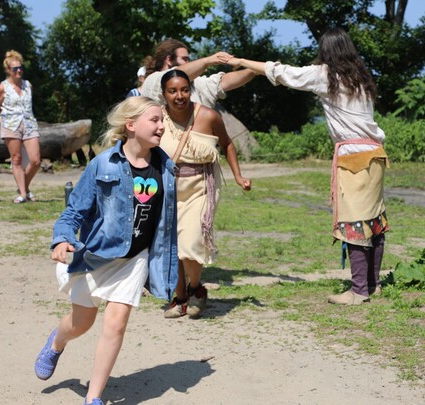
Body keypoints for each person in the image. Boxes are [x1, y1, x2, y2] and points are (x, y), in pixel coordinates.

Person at [227, 27, 389, 306]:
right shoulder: (360, 77)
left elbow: (281, 72)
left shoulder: (326, 75)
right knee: (373, 220)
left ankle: (359, 290)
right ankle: (372, 285)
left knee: (355, 222)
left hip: (353, 158)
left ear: (326, 51)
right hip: (375, 154)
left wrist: (241, 62)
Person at [33, 96, 178, 405]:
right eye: (154, 120)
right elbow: (74, 211)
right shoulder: (102, 164)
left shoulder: (166, 168)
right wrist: (61, 239)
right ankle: (56, 342)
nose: (162, 126)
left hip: (134, 259)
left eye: (162, 120)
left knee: (116, 323)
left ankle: (93, 398)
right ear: (131, 125)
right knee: (81, 324)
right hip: (98, 255)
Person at [159, 69, 251, 319]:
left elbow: (227, 143)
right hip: (167, 189)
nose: (180, 95)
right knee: (171, 246)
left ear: (191, 90)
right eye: (173, 91)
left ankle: (197, 289)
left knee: (190, 242)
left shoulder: (208, 116)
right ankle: (180, 299)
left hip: (201, 186)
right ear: (164, 94)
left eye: (184, 89)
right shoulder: (157, 118)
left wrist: (239, 176)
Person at [141, 38, 256, 109]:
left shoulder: (196, 84)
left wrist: (255, 69)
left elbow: (224, 81)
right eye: (185, 59)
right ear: (168, 60)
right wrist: (208, 61)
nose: (188, 62)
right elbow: (176, 75)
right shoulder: (152, 81)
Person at [0, 50, 41, 203]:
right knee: (17, 159)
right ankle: (22, 194)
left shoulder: (28, 85)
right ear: (9, 70)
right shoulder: (3, 87)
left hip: (29, 123)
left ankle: (24, 187)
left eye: (21, 68)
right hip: (11, 124)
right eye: (15, 69)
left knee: (35, 161)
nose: (19, 70)